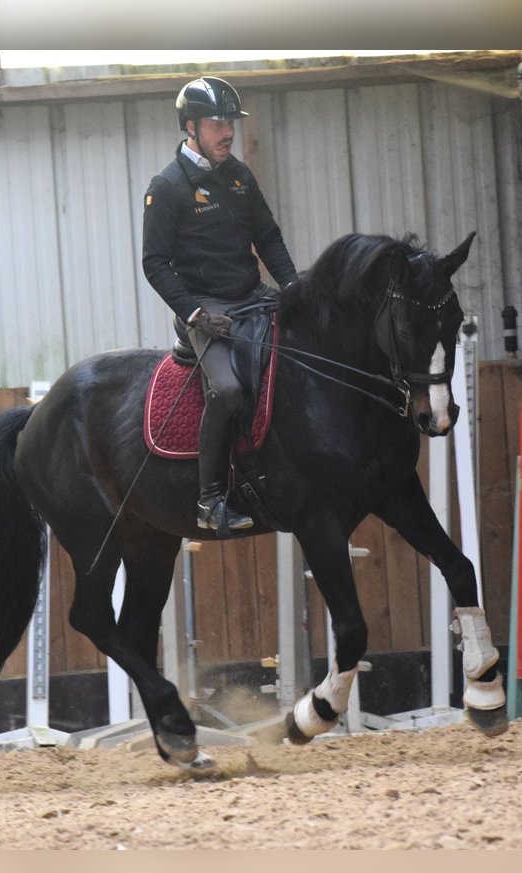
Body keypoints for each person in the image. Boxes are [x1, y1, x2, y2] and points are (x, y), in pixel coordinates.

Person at [142, 76, 298, 533]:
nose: (227, 132)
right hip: (205, 308)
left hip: (252, 296)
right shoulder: (166, 187)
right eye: (216, 123)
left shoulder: (239, 177)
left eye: (229, 122)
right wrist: (195, 313)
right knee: (228, 389)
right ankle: (210, 500)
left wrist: (293, 286)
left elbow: (267, 238)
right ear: (191, 126)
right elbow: (155, 264)